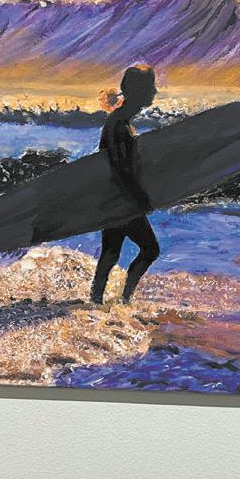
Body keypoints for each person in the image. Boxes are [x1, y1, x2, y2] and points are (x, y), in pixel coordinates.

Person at [89, 62, 160, 305]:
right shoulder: (119, 124)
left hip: (113, 199)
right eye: (151, 86)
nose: (154, 92)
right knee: (150, 250)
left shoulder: (120, 120)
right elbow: (120, 168)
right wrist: (140, 197)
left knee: (111, 252)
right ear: (139, 91)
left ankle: (96, 300)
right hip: (122, 201)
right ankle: (124, 299)